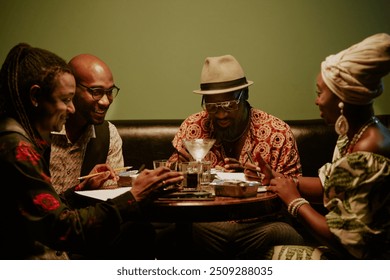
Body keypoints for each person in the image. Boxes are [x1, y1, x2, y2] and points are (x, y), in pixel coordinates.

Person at [0, 43, 183, 260]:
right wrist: (133, 196)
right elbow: (63, 228)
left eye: (109, 92)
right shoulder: (17, 150)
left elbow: (45, 214)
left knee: (146, 233)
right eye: (66, 100)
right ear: (35, 97)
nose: (71, 109)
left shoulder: (15, 137)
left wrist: (77, 192)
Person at [248, 33, 390, 259]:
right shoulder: (358, 135)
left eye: (320, 92)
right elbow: (332, 187)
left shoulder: (367, 150)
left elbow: (348, 242)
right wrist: (282, 180)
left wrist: (294, 201)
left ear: (341, 98)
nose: (316, 101)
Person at [167, 54, 304, 259]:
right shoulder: (193, 127)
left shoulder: (277, 132)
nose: (221, 115)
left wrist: (258, 180)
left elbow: (294, 192)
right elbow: (169, 183)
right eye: (212, 107)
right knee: (171, 234)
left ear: (245, 94)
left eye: (230, 105)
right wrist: (184, 171)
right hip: (206, 225)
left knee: (289, 236)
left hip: (261, 226)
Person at [50, 54, 123, 193]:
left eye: (109, 92)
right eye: (96, 92)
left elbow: (109, 200)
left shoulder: (109, 135)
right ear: (72, 88)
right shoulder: (44, 130)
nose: (105, 101)